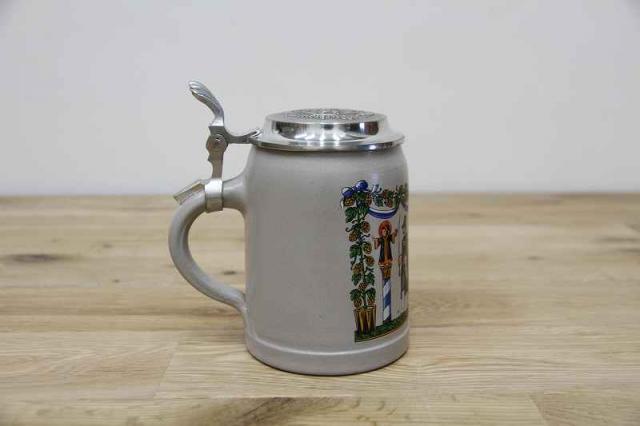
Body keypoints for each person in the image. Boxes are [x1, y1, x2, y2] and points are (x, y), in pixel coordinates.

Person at [374, 220, 397, 323]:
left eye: (385, 231)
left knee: (387, 283)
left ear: (387, 231)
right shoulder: (381, 239)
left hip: (389, 261)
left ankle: (387, 318)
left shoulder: (388, 237)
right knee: (385, 282)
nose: (383, 233)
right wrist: (375, 240)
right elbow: (376, 245)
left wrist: (395, 233)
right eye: (382, 231)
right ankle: (386, 317)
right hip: (383, 261)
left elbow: (393, 239)